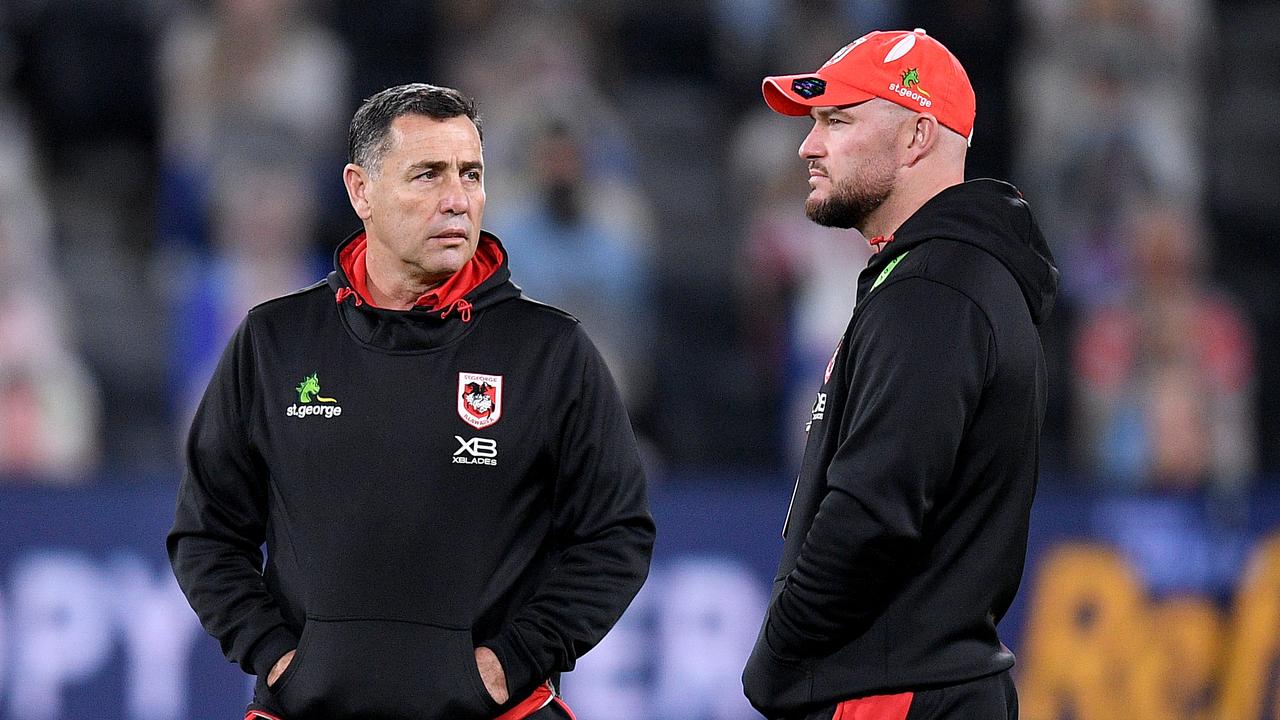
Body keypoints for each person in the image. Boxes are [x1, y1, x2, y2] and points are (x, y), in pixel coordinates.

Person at [168, 83, 655, 720]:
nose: (457, 199)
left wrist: (512, 661)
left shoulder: (550, 351)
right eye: (427, 174)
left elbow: (615, 536)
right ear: (360, 190)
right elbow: (206, 531)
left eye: (471, 174)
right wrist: (274, 653)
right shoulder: (274, 341)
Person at [740, 29, 1060, 719]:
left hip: (892, 695)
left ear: (917, 135)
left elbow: (871, 512)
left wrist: (777, 660)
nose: (807, 145)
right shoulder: (946, 276)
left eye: (838, 120)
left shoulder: (934, 292)